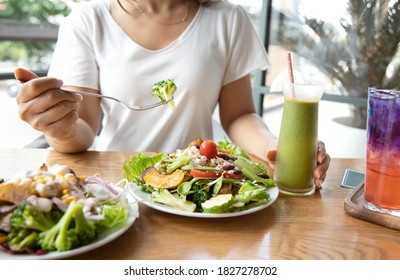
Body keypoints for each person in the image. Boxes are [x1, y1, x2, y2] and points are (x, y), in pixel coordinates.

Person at [14, 0, 330, 188]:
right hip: (116, 185)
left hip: (198, 183)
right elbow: (81, 126)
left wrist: (275, 147)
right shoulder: (88, 19)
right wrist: (60, 126)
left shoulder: (227, 18)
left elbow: (239, 116)